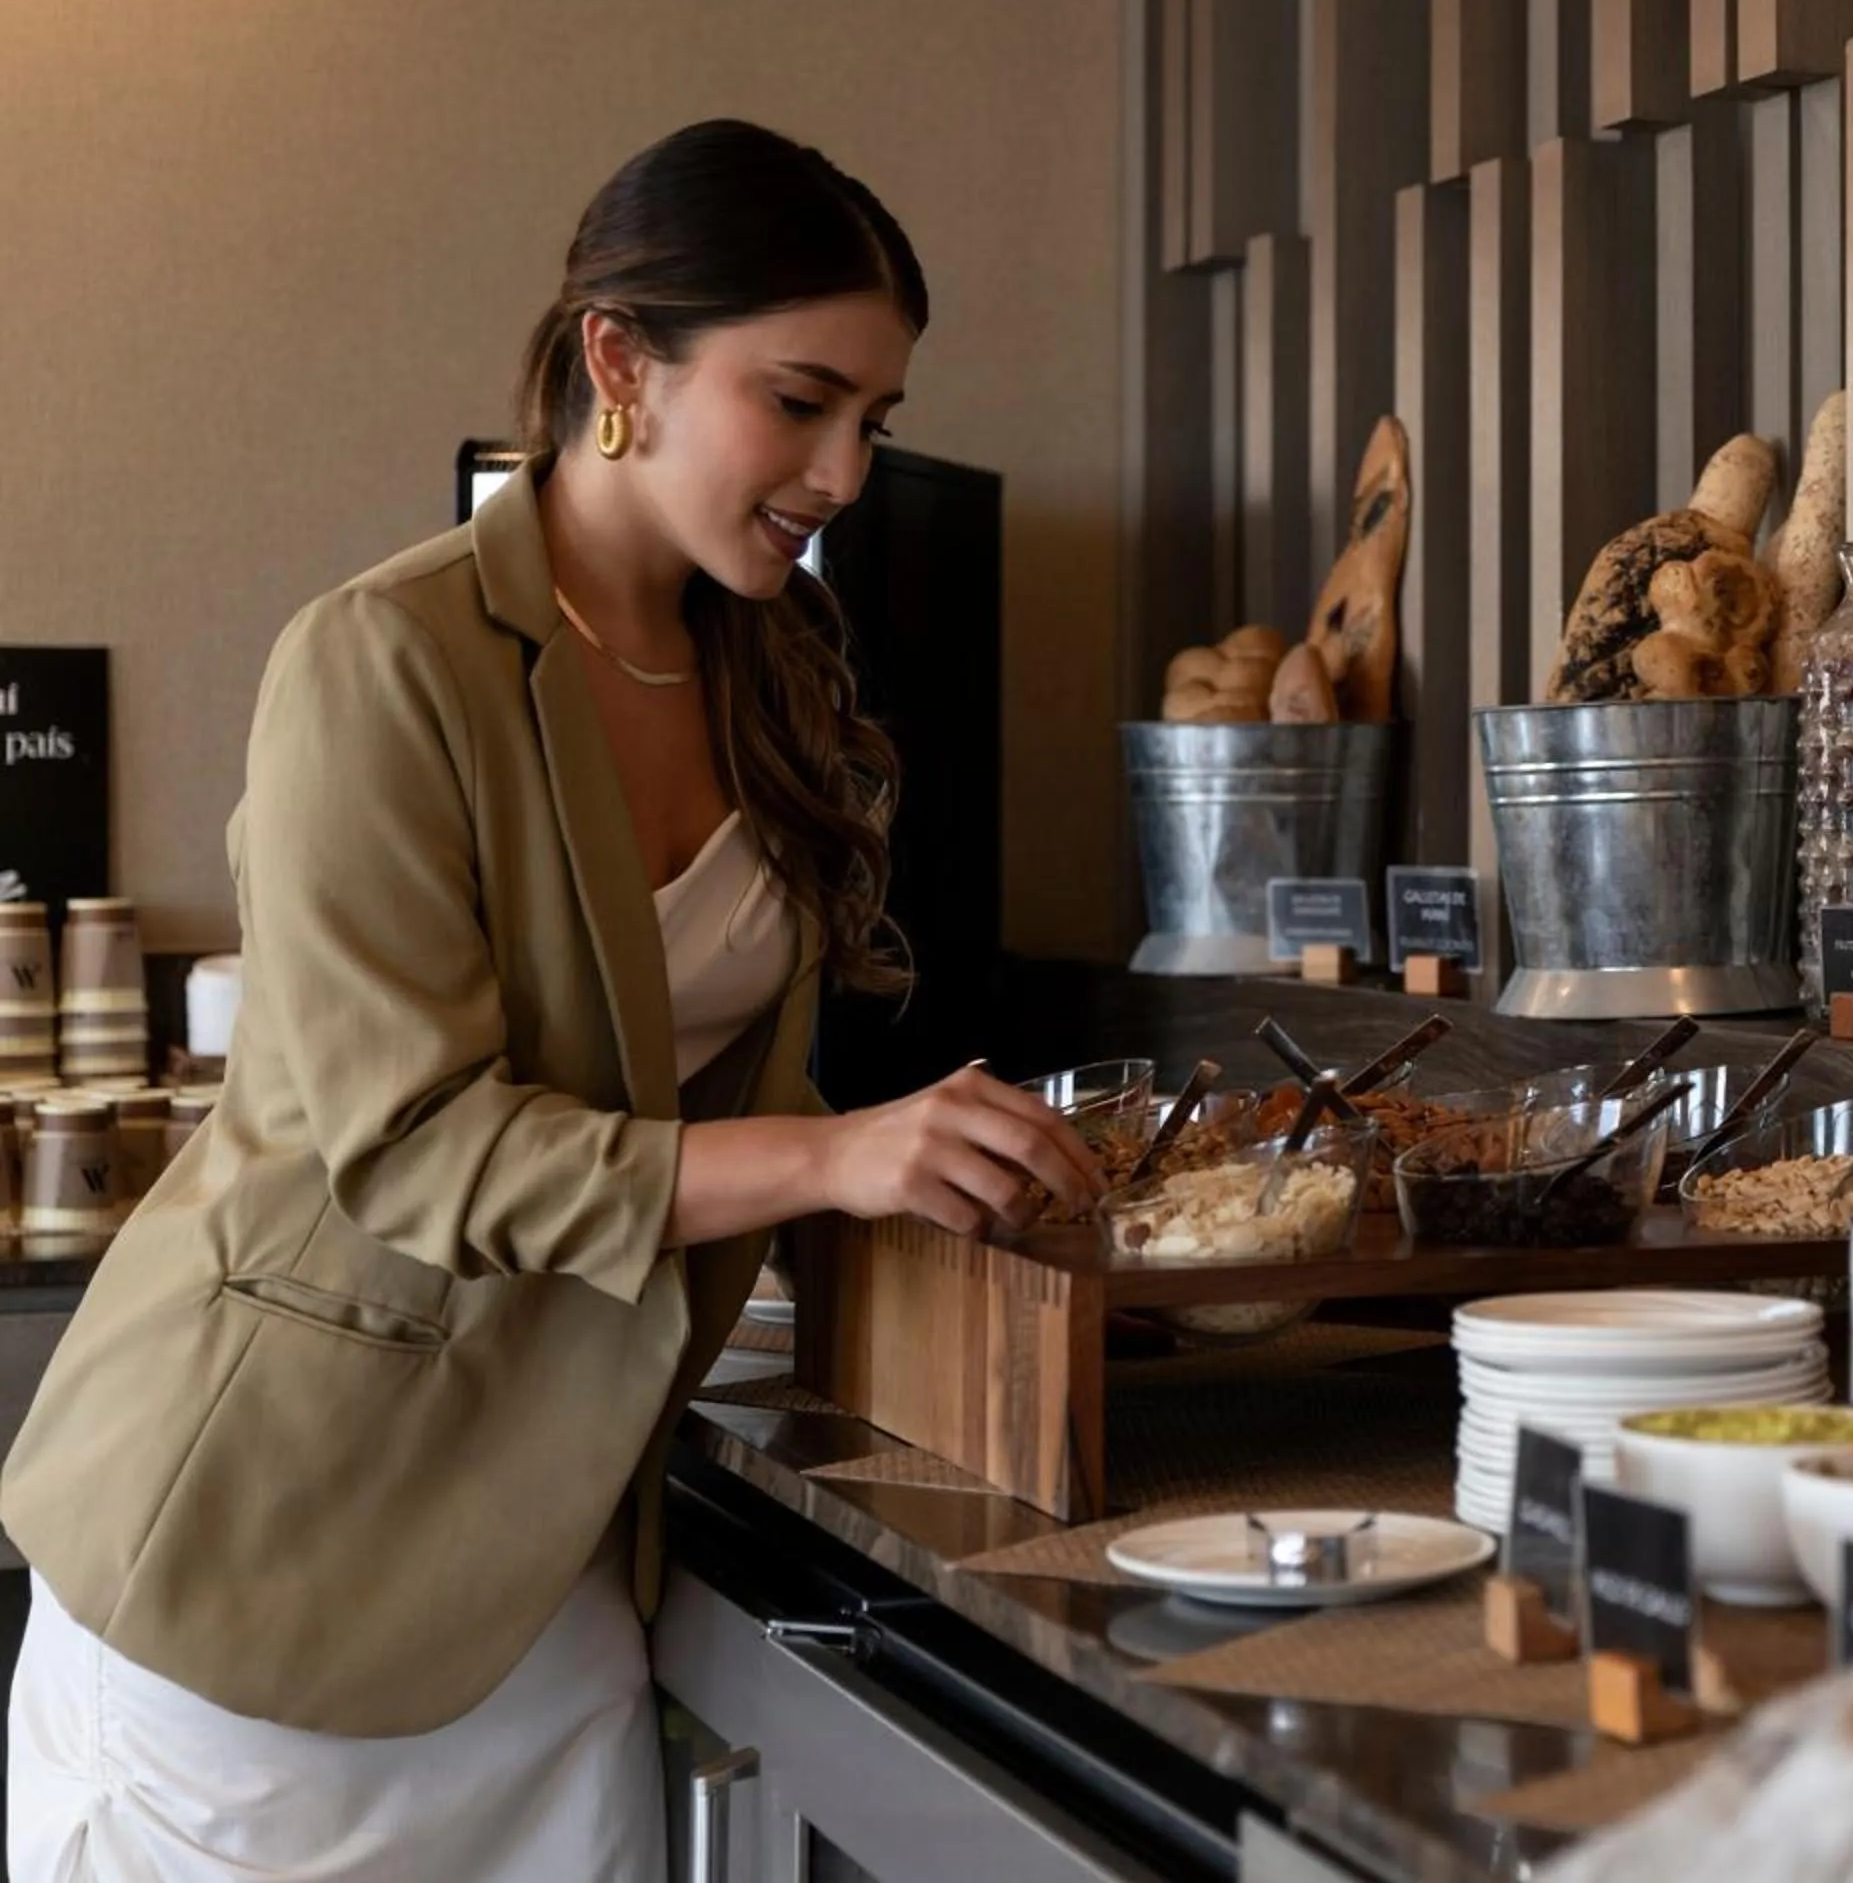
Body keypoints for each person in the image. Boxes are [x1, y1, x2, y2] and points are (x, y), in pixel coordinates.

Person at [1, 119, 1101, 1880]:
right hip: (269, 1561)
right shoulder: (382, 659)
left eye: (875, 422)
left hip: (555, 1562)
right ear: (620, 361)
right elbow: (415, 1150)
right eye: (800, 401)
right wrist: (836, 1161)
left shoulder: (774, 667)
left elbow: (714, 1091)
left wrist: (959, 1189)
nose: (843, 472)